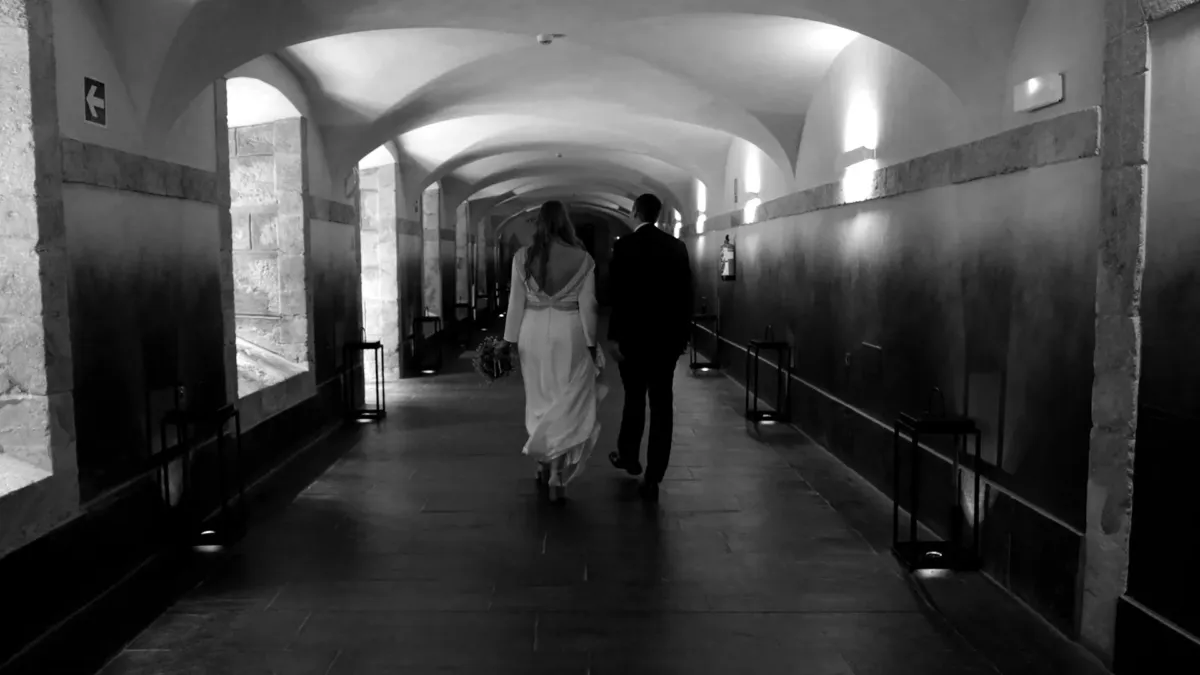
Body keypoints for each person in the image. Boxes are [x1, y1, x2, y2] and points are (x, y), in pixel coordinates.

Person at [500, 201, 605, 502]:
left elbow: (515, 304)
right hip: (568, 330)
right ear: (565, 223)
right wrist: (591, 343)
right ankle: (557, 473)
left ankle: (540, 461)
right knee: (565, 397)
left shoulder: (523, 257)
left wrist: (508, 342)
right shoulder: (583, 259)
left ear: (540, 224)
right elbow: (589, 307)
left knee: (539, 396)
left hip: (531, 331)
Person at [607, 193, 693, 500]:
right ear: (658, 215)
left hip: (632, 339)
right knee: (661, 405)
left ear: (634, 212)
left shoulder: (624, 247)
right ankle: (655, 473)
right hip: (666, 340)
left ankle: (629, 456)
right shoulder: (676, 247)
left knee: (633, 398)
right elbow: (686, 296)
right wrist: (683, 337)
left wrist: (613, 336)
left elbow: (616, 296)